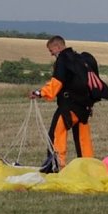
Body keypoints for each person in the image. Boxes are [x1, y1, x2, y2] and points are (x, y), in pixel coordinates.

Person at [29, 35, 95, 171]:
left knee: (55, 135)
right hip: (84, 107)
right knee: (83, 140)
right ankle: (88, 168)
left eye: (51, 50)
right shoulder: (80, 59)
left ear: (58, 47)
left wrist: (39, 93)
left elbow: (56, 83)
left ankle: (56, 166)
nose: (51, 54)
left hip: (68, 107)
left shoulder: (63, 60)